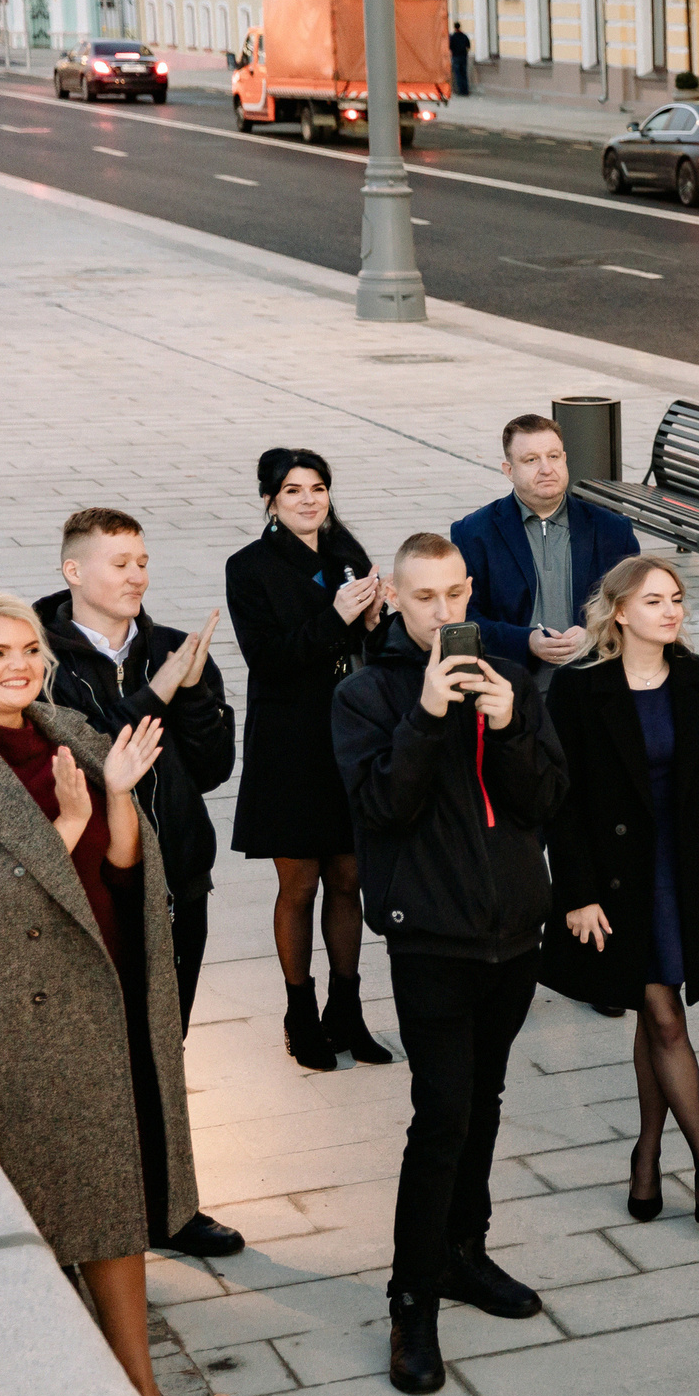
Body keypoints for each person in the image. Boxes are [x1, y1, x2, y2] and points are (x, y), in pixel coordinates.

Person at [334, 535, 566, 1395]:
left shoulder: (511, 677)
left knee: (487, 1101)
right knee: (442, 1115)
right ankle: (411, 1298)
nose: (441, 613)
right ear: (393, 599)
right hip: (430, 938)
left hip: (514, 935)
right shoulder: (368, 693)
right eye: (422, 597)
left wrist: (507, 726)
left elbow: (545, 800)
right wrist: (427, 716)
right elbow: (380, 808)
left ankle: (465, 1252)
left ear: (470, 591)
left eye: (453, 595)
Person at [0, 595, 207, 1396]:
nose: (18, 664)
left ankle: (142, 1389)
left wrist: (111, 800)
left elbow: (120, 870)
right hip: (11, 1019)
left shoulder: (67, 729)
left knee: (112, 1201)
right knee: (39, 1220)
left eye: (27, 647)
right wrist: (62, 826)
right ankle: (49, 1394)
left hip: (102, 987)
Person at [37, 508, 245, 1262]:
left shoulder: (173, 649)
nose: (137, 575)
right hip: (87, 886)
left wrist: (187, 689)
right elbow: (91, 758)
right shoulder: (38, 657)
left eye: (144, 561)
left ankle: (168, 1206)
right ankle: (89, 1211)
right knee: (90, 1054)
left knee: (165, 1044)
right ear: (74, 572)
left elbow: (215, 764)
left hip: (178, 882)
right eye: (119, 562)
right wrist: (162, 686)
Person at [541, 557, 699, 1226]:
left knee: (659, 1009)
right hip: (620, 880)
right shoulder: (578, 690)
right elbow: (558, 802)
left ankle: (647, 1150)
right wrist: (576, 892)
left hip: (684, 876)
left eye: (677, 599)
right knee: (661, 1013)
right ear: (619, 611)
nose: (671, 610)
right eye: (654, 599)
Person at [225, 447, 392, 1072]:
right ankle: (301, 1012)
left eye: (317, 487)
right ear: (270, 499)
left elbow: (372, 648)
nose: (307, 499)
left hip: (351, 737)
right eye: (292, 490)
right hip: (290, 743)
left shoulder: (346, 553)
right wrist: (337, 616)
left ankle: (346, 1011)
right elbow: (267, 658)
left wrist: (377, 618)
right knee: (299, 883)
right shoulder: (248, 567)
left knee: (349, 877)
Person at [448, 414, 642, 688]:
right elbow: (464, 616)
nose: (546, 469)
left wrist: (593, 635)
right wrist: (526, 641)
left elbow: (637, 607)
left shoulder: (612, 530)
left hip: (595, 682)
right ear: (508, 470)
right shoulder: (473, 533)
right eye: (531, 460)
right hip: (511, 686)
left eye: (553, 457)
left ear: (565, 459)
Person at [448, 22, 471, 96]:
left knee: (458, 74)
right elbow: (468, 46)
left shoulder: (453, 37)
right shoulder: (464, 36)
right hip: (463, 57)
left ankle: (460, 91)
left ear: (455, 28)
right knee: (464, 74)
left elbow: (450, 47)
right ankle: (466, 90)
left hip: (456, 57)